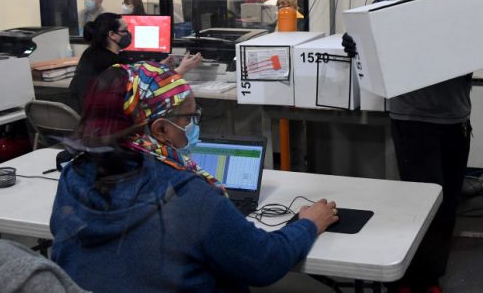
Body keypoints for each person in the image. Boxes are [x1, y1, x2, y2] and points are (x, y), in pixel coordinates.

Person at [50, 61, 339, 292]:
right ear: (160, 130)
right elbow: (264, 262)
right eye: (189, 118)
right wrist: (308, 224)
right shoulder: (188, 194)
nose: (192, 124)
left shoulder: (74, 175)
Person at [344, 0, 483, 293]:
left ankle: (429, 277)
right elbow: (368, 32)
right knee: (420, 206)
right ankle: (405, 279)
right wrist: (354, 42)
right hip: (415, 116)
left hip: (457, 114)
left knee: (449, 203)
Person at [68, 13, 201, 112]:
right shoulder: (114, 64)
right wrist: (182, 70)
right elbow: (148, 89)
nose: (129, 34)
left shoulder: (91, 53)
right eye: (125, 30)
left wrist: (160, 68)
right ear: (112, 35)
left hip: (86, 119)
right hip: (105, 125)